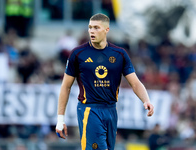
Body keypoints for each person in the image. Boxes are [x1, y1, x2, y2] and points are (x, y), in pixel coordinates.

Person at [55, 13, 154, 150]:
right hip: (89, 110)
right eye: (90, 27)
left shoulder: (119, 54)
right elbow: (65, 86)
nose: (91, 31)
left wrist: (146, 100)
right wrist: (60, 119)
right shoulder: (78, 54)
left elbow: (135, 83)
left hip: (111, 110)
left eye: (96, 27)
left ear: (106, 30)